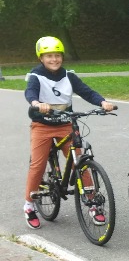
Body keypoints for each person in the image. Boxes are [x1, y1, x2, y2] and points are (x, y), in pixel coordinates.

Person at [23, 36, 116, 230]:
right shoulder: (36, 76)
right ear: (41, 58)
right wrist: (37, 103)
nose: (54, 59)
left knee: (80, 163)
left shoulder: (68, 76)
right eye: (49, 56)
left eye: (57, 55)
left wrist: (102, 102)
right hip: (42, 126)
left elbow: (87, 92)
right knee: (38, 165)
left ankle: (93, 204)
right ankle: (29, 205)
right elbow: (30, 92)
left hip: (66, 123)